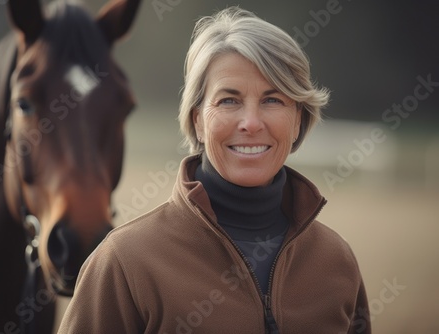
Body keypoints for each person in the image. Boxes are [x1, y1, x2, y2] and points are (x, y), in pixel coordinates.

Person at [58, 6, 371, 334]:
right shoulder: (124, 262)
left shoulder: (337, 262)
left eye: (273, 100)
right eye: (228, 101)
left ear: (298, 120)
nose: (250, 123)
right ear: (197, 121)